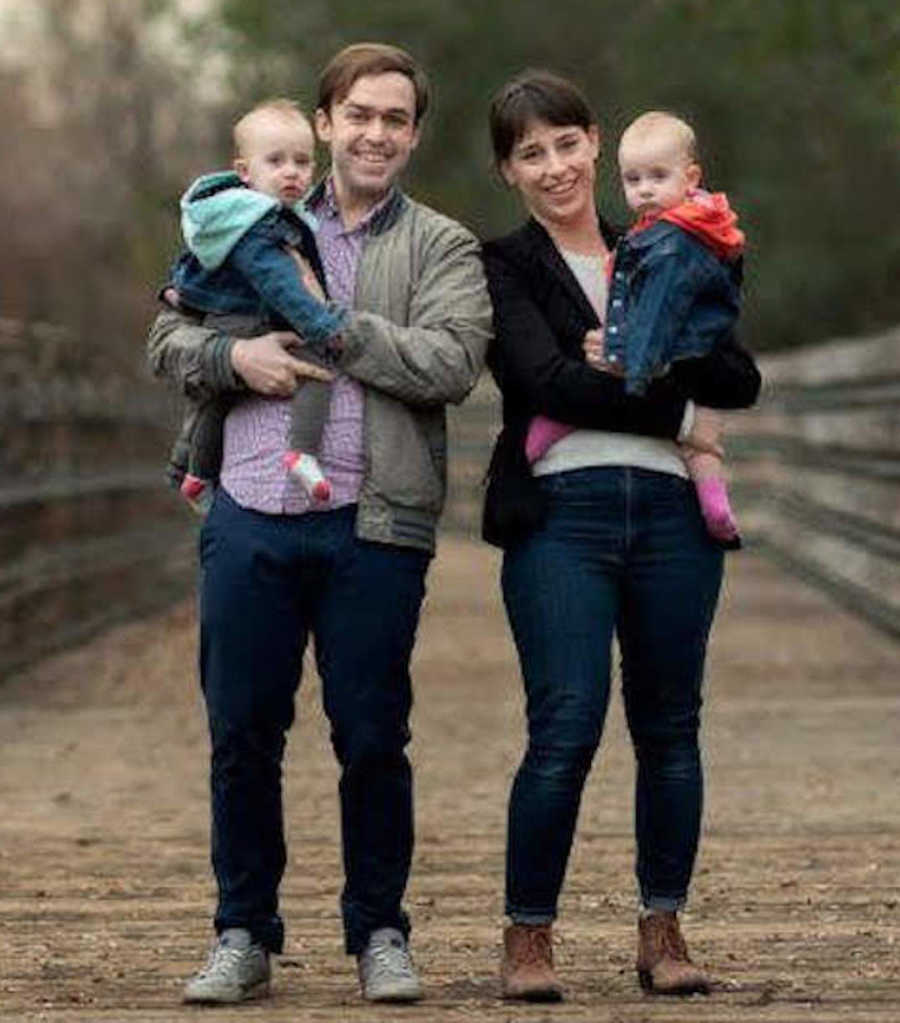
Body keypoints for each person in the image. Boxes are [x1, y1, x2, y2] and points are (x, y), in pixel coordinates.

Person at [147, 43, 492, 1005]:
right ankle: (242, 931)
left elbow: (450, 364)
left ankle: (379, 928)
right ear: (326, 121)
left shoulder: (443, 246)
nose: (376, 132)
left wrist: (334, 333)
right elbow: (166, 334)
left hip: (371, 523)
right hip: (250, 510)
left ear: (414, 135)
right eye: (359, 115)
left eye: (396, 118)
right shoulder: (247, 216)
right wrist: (238, 358)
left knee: (373, 734)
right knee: (241, 734)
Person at [481, 70, 760, 1001]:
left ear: (595, 143)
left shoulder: (666, 238)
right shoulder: (506, 266)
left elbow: (739, 373)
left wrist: (669, 376)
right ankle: (529, 938)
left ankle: (663, 929)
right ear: (509, 171)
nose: (555, 166)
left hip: (672, 518)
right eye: (531, 153)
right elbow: (549, 382)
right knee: (564, 722)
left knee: (671, 726)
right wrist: (680, 416)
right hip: (562, 513)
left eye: (567, 144)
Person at [525, 109, 746, 547]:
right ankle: (715, 503)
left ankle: (556, 426)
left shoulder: (672, 244)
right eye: (633, 180)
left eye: (657, 177)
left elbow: (659, 309)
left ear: (691, 177)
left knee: (594, 371)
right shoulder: (688, 228)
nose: (644, 190)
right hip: (692, 350)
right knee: (701, 441)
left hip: (663, 348)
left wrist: (627, 358)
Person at [168, 98, 345, 513]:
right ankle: (302, 453)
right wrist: (322, 326)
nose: (291, 172)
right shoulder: (260, 224)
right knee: (318, 372)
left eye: (302, 162)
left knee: (219, 395)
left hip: (224, 318)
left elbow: (191, 262)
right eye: (276, 161)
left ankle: (196, 472)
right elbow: (280, 284)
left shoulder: (230, 214)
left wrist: (178, 291)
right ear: (245, 171)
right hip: (247, 321)